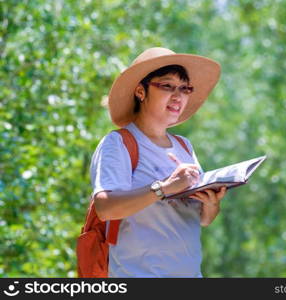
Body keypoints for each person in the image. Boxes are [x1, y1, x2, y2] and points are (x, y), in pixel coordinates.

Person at [89, 47, 226, 277]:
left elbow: (203, 220)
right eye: (167, 86)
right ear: (140, 92)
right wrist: (164, 188)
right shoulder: (119, 143)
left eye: (184, 88)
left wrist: (212, 204)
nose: (178, 96)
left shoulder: (185, 147)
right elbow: (105, 208)